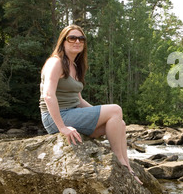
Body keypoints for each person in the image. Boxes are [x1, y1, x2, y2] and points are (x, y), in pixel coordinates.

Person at [39, 24, 142, 184]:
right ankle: (120, 163)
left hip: (72, 114)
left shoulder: (74, 66)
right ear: (63, 41)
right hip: (56, 118)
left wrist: (100, 114)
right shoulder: (56, 62)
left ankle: (128, 167)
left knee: (119, 123)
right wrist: (62, 128)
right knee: (116, 109)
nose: (77, 41)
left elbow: (78, 100)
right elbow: (48, 95)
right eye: (72, 38)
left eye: (81, 38)